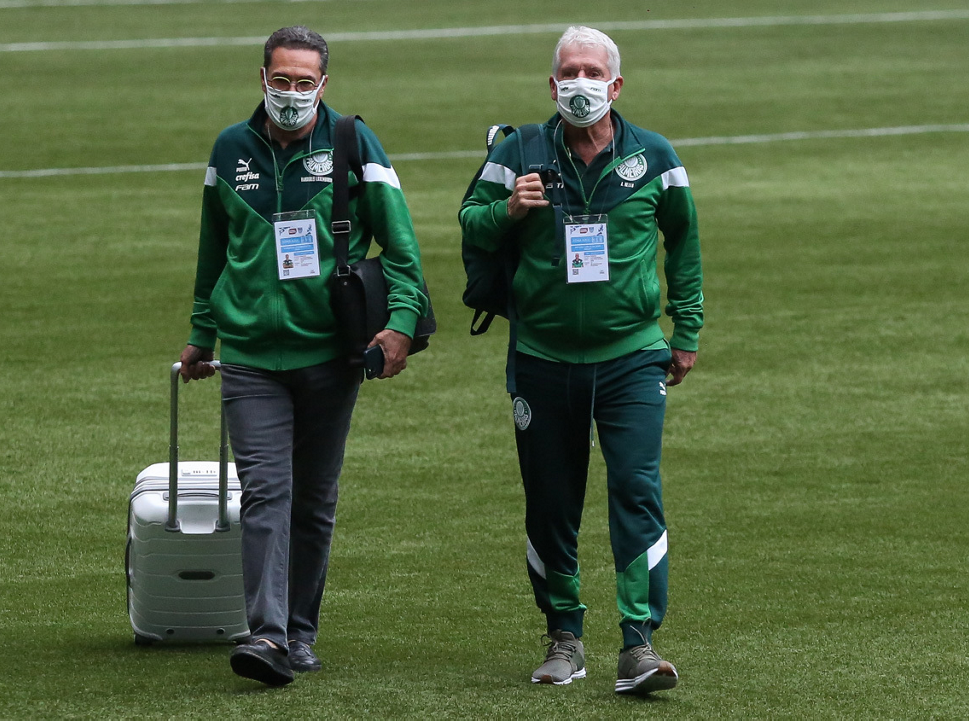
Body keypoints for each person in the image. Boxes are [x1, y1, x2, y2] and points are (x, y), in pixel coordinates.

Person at [179, 25, 427, 687]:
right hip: (251, 356)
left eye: (304, 82)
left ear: (324, 84)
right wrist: (203, 332)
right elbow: (212, 248)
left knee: (313, 499)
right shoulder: (230, 149)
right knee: (267, 492)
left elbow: (400, 243)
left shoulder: (353, 144)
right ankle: (266, 634)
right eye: (282, 80)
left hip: (330, 355)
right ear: (262, 78)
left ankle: (298, 632)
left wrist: (401, 323)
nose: (291, 93)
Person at [459, 26, 703, 695]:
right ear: (552, 84)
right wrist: (508, 209)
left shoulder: (654, 157)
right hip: (542, 357)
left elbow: (683, 242)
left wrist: (686, 329)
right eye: (569, 71)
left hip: (631, 357)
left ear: (615, 85)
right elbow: (470, 221)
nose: (580, 82)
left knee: (636, 491)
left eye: (593, 72)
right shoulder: (518, 152)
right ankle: (564, 636)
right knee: (550, 501)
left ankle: (639, 643)